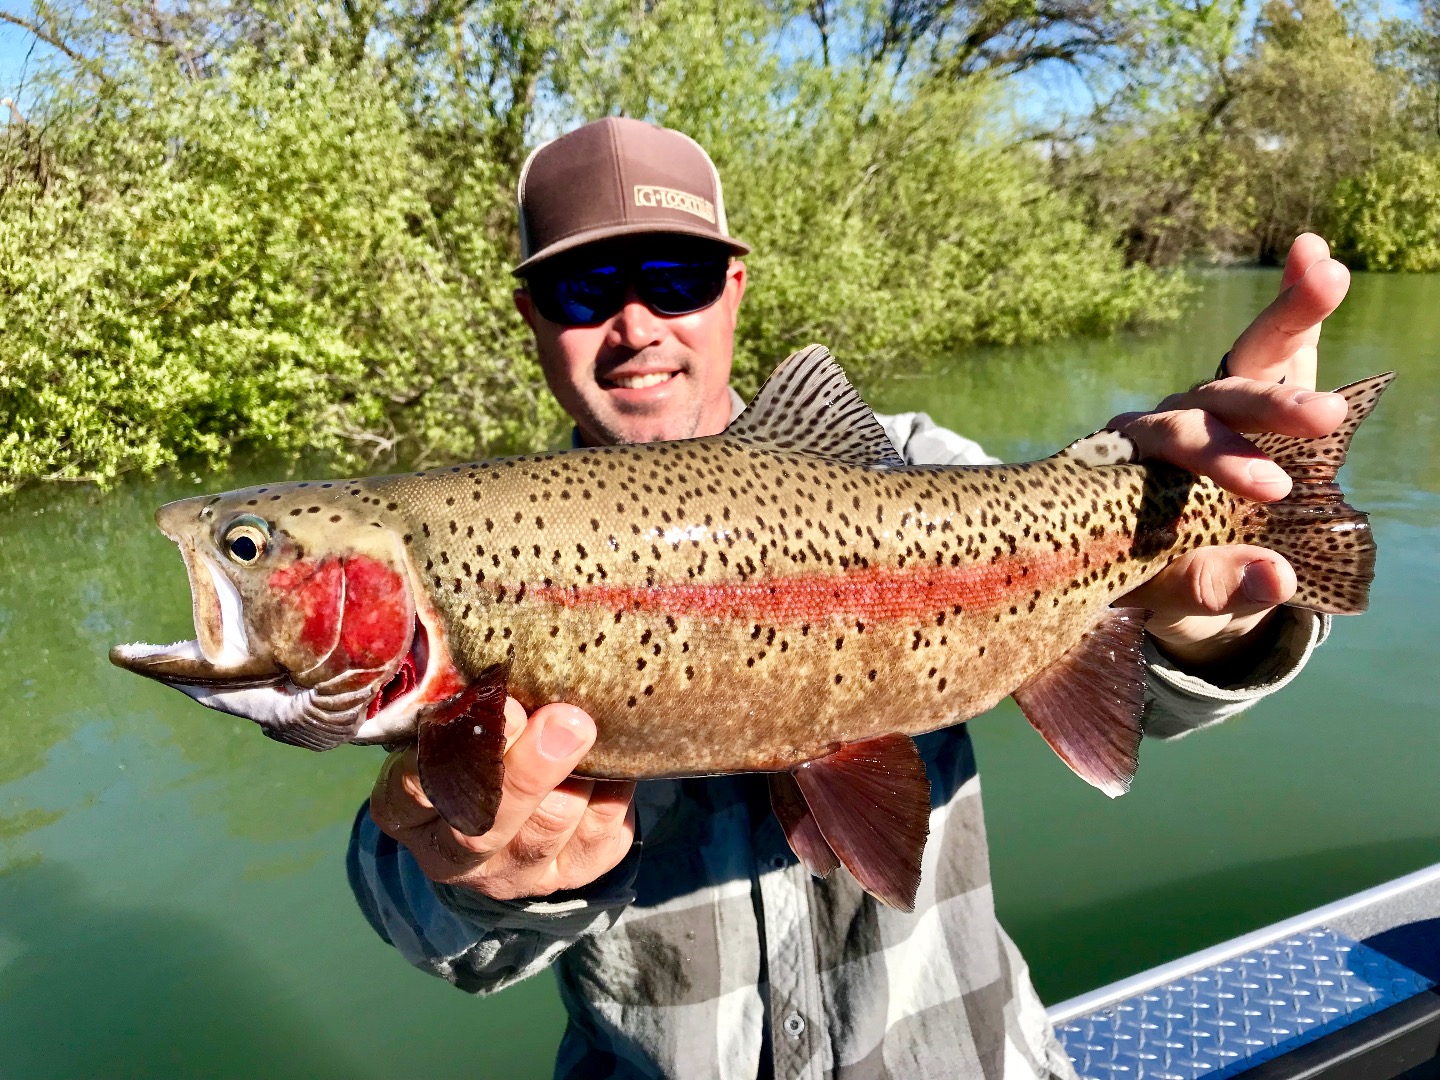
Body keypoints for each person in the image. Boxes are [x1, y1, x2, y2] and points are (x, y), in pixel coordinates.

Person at [348, 117, 1351, 1079]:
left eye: (674, 278)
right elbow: (420, 921)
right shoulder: (462, 559)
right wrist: (478, 877)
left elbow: (1146, 679)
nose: (637, 325)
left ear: (734, 288)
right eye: (583, 288)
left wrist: (1209, 619)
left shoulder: (918, 478)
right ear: (531, 315)